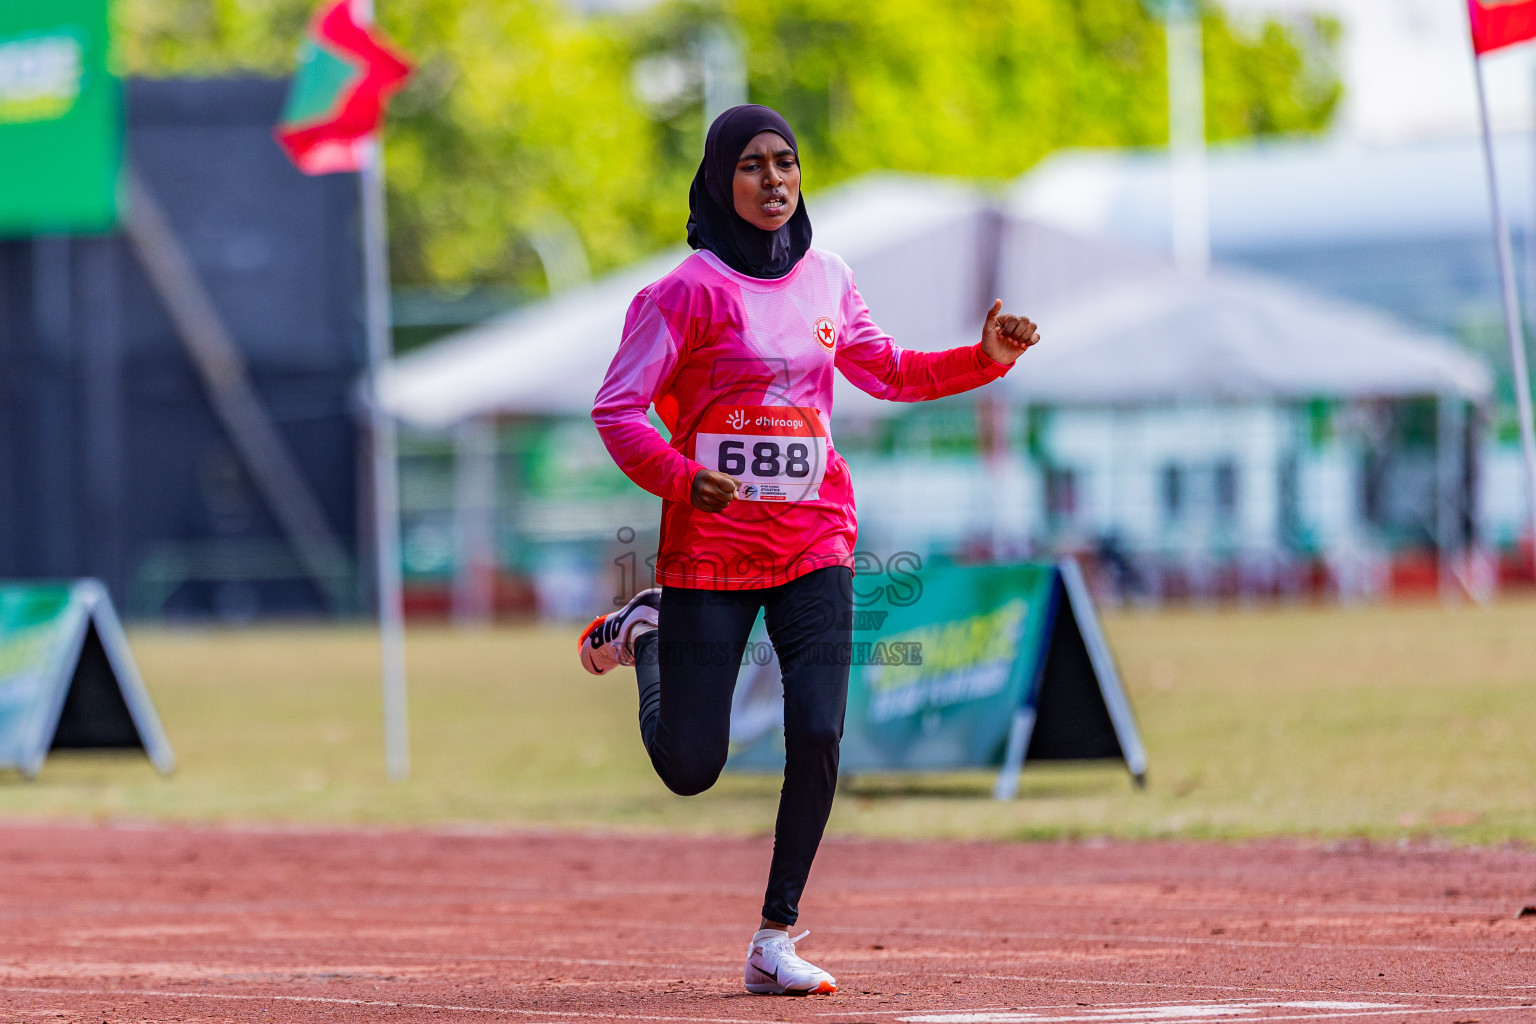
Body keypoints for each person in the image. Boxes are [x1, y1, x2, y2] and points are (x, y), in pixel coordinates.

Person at [578, 104, 1040, 996]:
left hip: (814, 538)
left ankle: (774, 939)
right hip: (708, 550)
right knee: (690, 768)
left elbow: (889, 369)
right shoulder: (684, 293)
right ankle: (645, 632)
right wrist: (681, 478)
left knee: (820, 730)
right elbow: (619, 409)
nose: (773, 180)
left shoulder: (829, 278)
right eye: (751, 165)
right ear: (721, 181)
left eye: (785, 162)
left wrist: (983, 360)